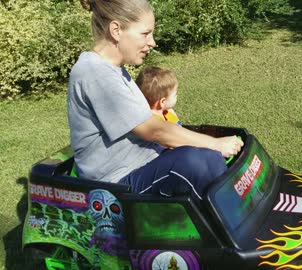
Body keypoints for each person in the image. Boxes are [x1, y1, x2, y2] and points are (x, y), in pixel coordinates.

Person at [69, 0, 243, 201]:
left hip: (144, 165)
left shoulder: (112, 70)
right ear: (116, 30)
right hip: (115, 185)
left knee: (206, 156)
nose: (152, 42)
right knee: (197, 162)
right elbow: (153, 130)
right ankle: (232, 225)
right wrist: (214, 144)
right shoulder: (96, 73)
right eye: (145, 34)